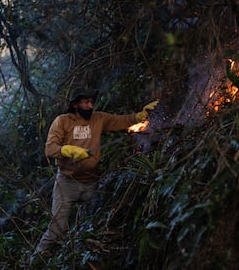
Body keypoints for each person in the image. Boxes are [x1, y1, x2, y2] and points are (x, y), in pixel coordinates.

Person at [34, 87, 158, 257]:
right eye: (86, 102)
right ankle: (36, 259)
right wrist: (68, 150)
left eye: (92, 102)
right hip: (66, 183)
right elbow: (50, 148)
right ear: (76, 104)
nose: (90, 105)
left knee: (94, 223)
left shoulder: (99, 118)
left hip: (92, 182)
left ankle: (80, 255)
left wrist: (139, 116)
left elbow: (121, 120)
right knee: (58, 227)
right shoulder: (62, 121)